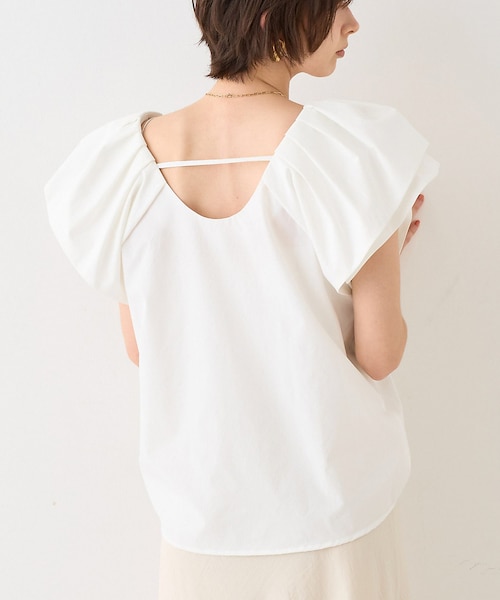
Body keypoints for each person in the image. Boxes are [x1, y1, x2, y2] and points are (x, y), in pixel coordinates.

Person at [45, 0, 439, 598]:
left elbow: (142, 347)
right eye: (337, 4)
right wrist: (379, 263)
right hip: (333, 511)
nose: (352, 22)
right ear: (269, 16)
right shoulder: (352, 156)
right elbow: (379, 355)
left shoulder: (125, 164)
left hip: (204, 517)